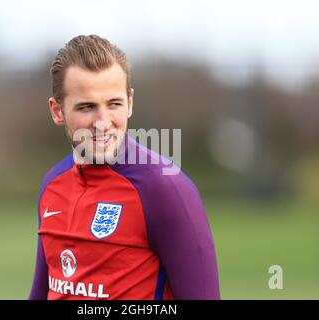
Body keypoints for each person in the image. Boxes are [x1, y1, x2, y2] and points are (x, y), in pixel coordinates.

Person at [28, 34, 220, 300]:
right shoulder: (52, 184)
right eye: (87, 107)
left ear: (130, 103)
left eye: (114, 104)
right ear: (57, 111)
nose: (103, 122)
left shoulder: (165, 189)